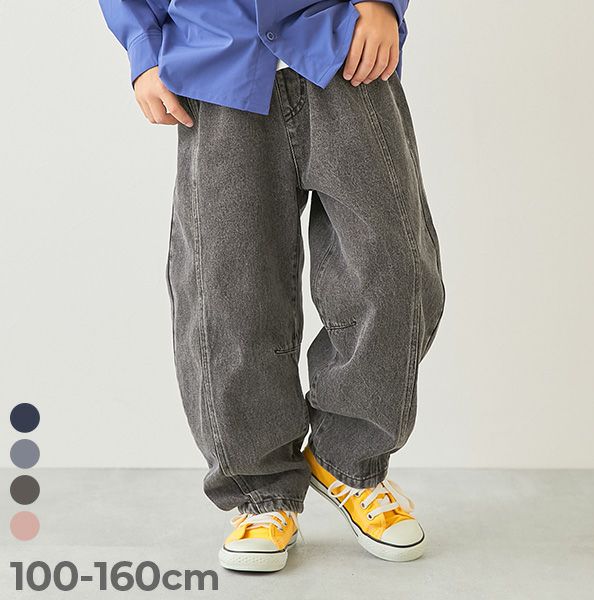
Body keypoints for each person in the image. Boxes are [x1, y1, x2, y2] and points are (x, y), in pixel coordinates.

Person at [100, 0, 445, 572]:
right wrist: (143, 49)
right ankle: (260, 492)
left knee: (396, 270)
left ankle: (348, 461)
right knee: (226, 291)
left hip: (346, 50)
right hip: (215, 65)